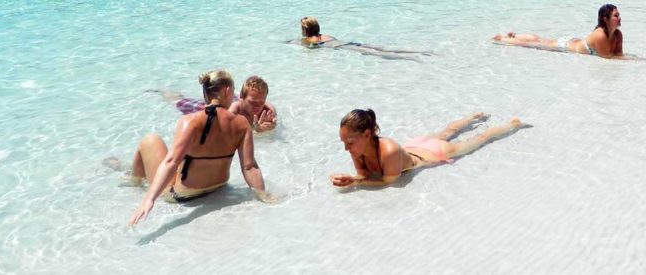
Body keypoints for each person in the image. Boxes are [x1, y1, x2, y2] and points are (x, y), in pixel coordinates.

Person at [126, 70, 269, 225]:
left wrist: (149, 199)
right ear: (227, 91)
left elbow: (171, 162)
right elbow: (250, 167)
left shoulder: (189, 121)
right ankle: (131, 174)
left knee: (150, 140)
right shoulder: (242, 123)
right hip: (219, 187)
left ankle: (133, 180)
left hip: (183, 195)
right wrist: (263, 195)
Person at [331, 109, 525, 188]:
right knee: (447, 130)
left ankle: (513, 125)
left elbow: (388, 181)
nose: (346, 148)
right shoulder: (358, 148)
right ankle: (473, 117)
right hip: (412, 146)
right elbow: (365, 175)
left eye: (349, 142)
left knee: (481, 138)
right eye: (344, 142)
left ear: (366, 134)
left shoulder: (388, 150)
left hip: (434, 153)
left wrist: (355, 182)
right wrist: (353, 178)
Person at [492, 4, 625, 58]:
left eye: (618, 15)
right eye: (616, 16)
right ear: (605, 19)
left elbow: (618, 55)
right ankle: (503, 39)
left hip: (573, 41)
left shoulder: (618, 34)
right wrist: (634, 60)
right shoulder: (600, 35)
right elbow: (608, 58)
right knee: (534, 44)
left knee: (540, 40)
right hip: (565, 46)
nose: (619, 18)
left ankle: (516, 35)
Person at [162, 75, 278, 132]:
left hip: (235, 98)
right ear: (242, 99)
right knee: (182, 102)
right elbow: (226, 127)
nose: (258, 106)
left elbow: (273, 123)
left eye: (261, 102)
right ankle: (163, 91)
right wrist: (254, 129)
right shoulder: (236, 108)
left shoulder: (267, 111)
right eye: (253, 102)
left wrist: (267, 128)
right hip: (220, 107)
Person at [296, 17, 429, 60]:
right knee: (379, 48)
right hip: (348, 42)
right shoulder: (324, 35)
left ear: (305, 30)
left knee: (379, 54)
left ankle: (411, 57)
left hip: (343, 46)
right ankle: (421, 52)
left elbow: (309, 47)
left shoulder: (309, 40)